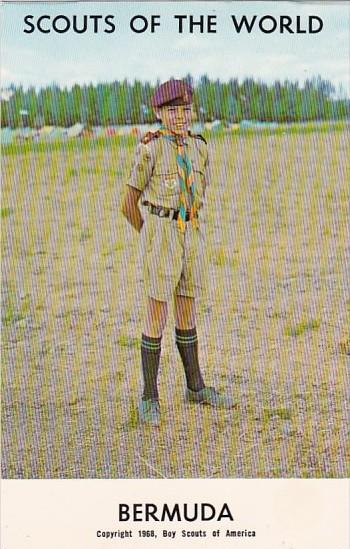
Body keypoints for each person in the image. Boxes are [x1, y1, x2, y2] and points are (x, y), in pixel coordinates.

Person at [121, 79, 234, 426]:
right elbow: (127, 203)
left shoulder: (200, 148)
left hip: (190, 233)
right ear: (158, 113)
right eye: (172, 110)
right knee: (156, 314)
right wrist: (152, 235)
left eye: (185, 110)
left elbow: (200, 192)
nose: (180, 116)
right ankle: (149, 396)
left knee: (187, 311)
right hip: (161, 234)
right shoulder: (150, 150)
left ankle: (195, 387)